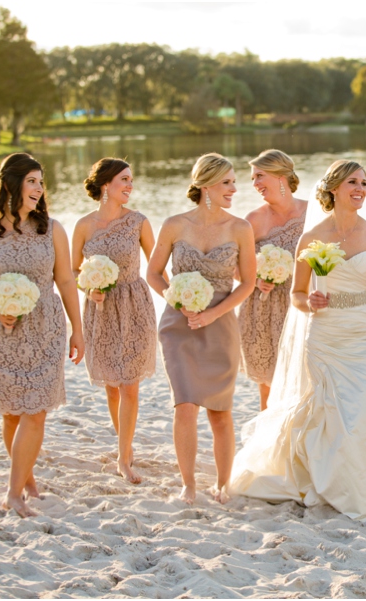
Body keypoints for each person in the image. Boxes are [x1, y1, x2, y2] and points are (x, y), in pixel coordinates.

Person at [229, 159, 366, 524]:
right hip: (326, 334)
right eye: (353, 182)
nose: (360, 189)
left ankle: (364, 486)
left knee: (362, 412)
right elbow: (297, 295)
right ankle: (329, 484)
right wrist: (312, 303)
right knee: (331, 413)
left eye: (365, 183)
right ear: (334, 188)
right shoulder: (312, 238)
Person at [0, 153, 84, 518]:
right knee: (11, 414)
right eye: (32, 181)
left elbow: (66, 280)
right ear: (11, 184)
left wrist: (78, 329)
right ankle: (24, 476)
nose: (39, 189)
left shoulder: (52, 229)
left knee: (36, 411)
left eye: (42, 182)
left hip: (45, 328)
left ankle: (13, 492)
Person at [147, 153, 256, 504]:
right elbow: (153, 274)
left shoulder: (240, 228)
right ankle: (188, 485)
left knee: (220, 411)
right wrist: (176, 300)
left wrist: (211, 314)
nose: (234, 189)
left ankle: (223, 484)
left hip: (221, 324)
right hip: (179, 326)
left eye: (234, 182)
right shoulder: (174, 225)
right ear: (205, 184)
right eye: (227, 182)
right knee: (185, 405)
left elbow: (248, 284)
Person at [71, 158, 158, 485]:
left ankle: (124, 456)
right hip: (100, 310)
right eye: (124, 179)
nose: (130, 186)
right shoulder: (83, 225)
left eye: (131, 180)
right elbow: (71, 271)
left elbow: (155, 267)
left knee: (129, 386)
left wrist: (179, 297)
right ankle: (124, 444)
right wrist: (88, 286)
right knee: (111, 386)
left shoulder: (138, 222)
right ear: (105, 184)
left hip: (134, 306)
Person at [238, 149, 308, 411]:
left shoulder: (312, 213)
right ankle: (271, 449)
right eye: (253, 178)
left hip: (302, 306)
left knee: (304, 385)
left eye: (259, 176)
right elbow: (235, 268)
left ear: (281, 176)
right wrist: (256, 280)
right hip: (263, 310)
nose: (254, 184)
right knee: (268, 387)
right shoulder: (253, 221)